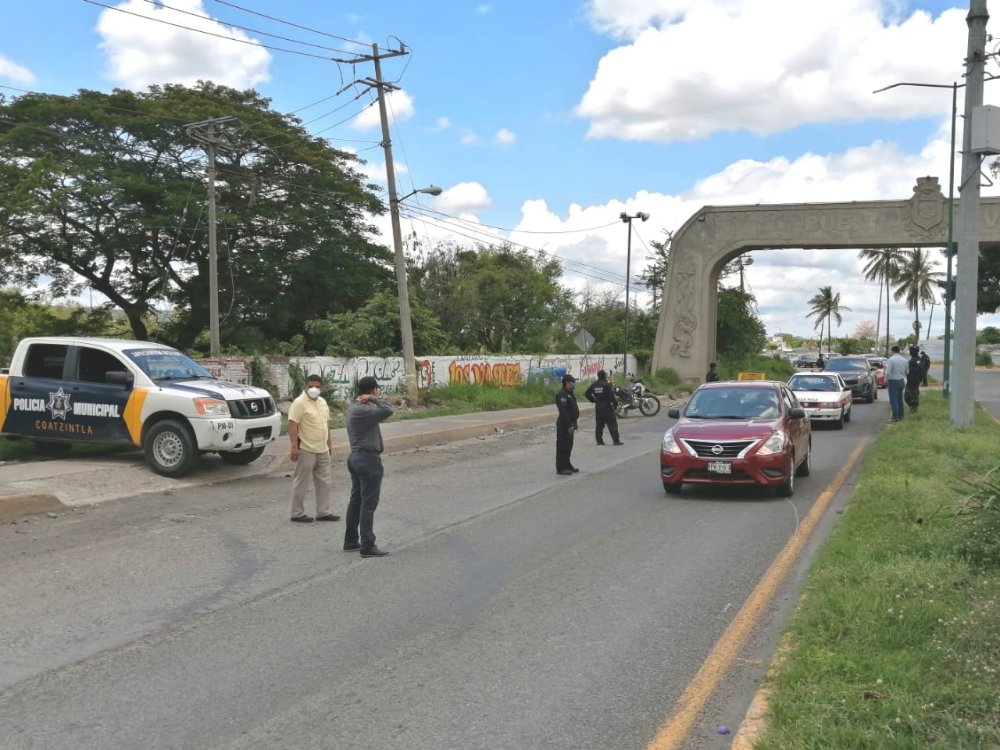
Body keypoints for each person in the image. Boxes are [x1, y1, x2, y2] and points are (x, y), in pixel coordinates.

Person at [343, 376, 393, 557]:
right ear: (373, 390)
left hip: (355, 457)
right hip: (368, 459)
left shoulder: (353, 407)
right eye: (376, 390)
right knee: (368, 502)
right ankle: (367, 544)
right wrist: (373, 399)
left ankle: (350, 540)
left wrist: (368, 398)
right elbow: (388, 410)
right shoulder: (365, 409)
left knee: (356, 500)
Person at [287, 374, 338, 523]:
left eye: (317, 386)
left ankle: (323, 511)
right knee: (301, 482)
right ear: (305, 386)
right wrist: (294, 448)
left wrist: (329, 444)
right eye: (310, 386)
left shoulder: (322, 402)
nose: (313, 389)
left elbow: (325, 424)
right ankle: (297, 513)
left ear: (322, 388)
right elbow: (293, 425)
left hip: (322, 448)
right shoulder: (299, 403)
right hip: (306, 448)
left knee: (325, 482)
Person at [584, 370, 623, 446]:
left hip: (598, 407)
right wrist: (615, 404)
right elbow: (612, 396)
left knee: (599, 425)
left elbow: (587, 394)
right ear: (604, 376)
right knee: (612, 424)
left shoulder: (594, 385)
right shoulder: (606, 385)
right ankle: (616, 440)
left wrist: (593, 400)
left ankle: (599, 441)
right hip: (607, 407)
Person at [555, 373, 580, 475]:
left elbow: (573, 410)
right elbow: (564, 411)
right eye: (572, 382)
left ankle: (567, 464)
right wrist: (569, 425)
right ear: (566, 383)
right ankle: (560, 467)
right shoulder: (562, 395)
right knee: (562, 446)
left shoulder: (570, 393)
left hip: (571, 424)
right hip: (564, 424)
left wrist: (574, 423)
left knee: (569, 446)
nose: (573, 384)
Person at [884, 345, 908, 422]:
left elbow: (887, 372)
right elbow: (907, 372)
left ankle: (895, 417)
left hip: (893, 381)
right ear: (899, 351)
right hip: (901, 380)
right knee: (900, 399)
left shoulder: (891, 360)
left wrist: (885, 379)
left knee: (893, 400)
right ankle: (901, 416)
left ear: (892, 351)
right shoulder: (904, 360)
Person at [904, 345, 922, 414]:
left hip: (914, 380)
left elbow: (920, 369)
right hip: (910, 379)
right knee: (908, 395)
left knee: (911, 394)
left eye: (911, 351)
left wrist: (911, 370)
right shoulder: (913, 359)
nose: (910, 352)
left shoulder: (917, 359)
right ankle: (913, 408)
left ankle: (914, 409)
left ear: (914, 351)